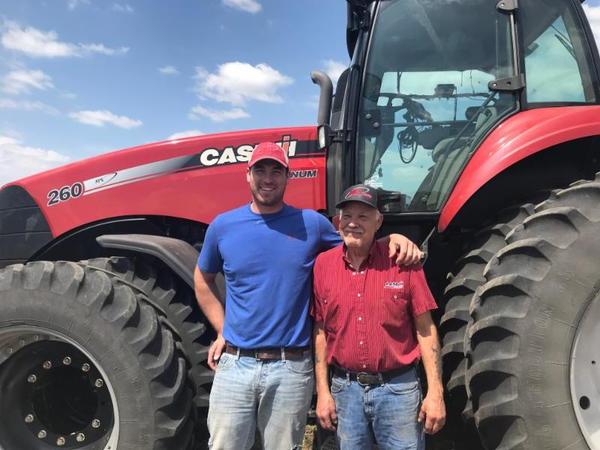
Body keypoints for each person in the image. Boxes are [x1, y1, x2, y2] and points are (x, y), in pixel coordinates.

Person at [194, 142, 423, 450]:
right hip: (236, 365)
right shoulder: (223, 226)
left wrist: (391, 239)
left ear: (288, 177)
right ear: (247, 175)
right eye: (260, 170)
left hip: (290, 367)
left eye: (276, 171)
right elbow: (203, 278)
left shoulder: (311, 224)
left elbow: (356, 244)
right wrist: (223, 328)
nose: (268, 178)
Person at [312, 184, 446, 450]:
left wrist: (435, 392)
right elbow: (320, 332)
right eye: (347, 216)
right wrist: (323, 392)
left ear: (378, 221)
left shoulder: (402, 262)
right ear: (338, 222)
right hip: (345, 391)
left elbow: (425, 330)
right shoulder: (323, 266)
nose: (353, 223)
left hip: (398, 390)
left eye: (363, 216)